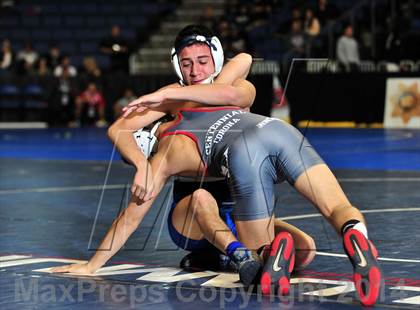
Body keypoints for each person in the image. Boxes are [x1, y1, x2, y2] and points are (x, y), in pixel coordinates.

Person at [52, 25, 381, 305]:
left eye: (201, 61)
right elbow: (240, 72)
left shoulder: (168, 146)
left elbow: (131, 214)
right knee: (330, 215)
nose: (195, 69)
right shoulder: (224, 92)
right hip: (279, 132)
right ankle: (354, 233)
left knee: (259, 257)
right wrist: (165, 101)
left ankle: (255, 253)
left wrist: (93, 265)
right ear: (178, 67)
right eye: (187, 63)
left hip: (243, 155)